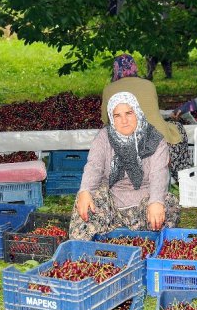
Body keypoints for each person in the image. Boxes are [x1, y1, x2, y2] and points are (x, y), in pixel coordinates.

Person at [69, 91, 181, 240]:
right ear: (111, 118)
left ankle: (155, 247)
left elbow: (159, 173)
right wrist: (85, 191)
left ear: (137, 112)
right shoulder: (104, 137)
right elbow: (94, 166)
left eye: (129, 113)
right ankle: (81, 252)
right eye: (117, 115)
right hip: (111, 205)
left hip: (144, 204)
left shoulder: (154, 139)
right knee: (85, 200)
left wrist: (155, 201)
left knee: (168, 204)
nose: (124, 120)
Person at [102, 54, 191, 181]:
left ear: (115, 69)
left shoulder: (109, 89)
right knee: (177, 129)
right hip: (161, 142)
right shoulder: (149, 85)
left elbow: (106, 119)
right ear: (134, 67)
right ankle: (182, 176)